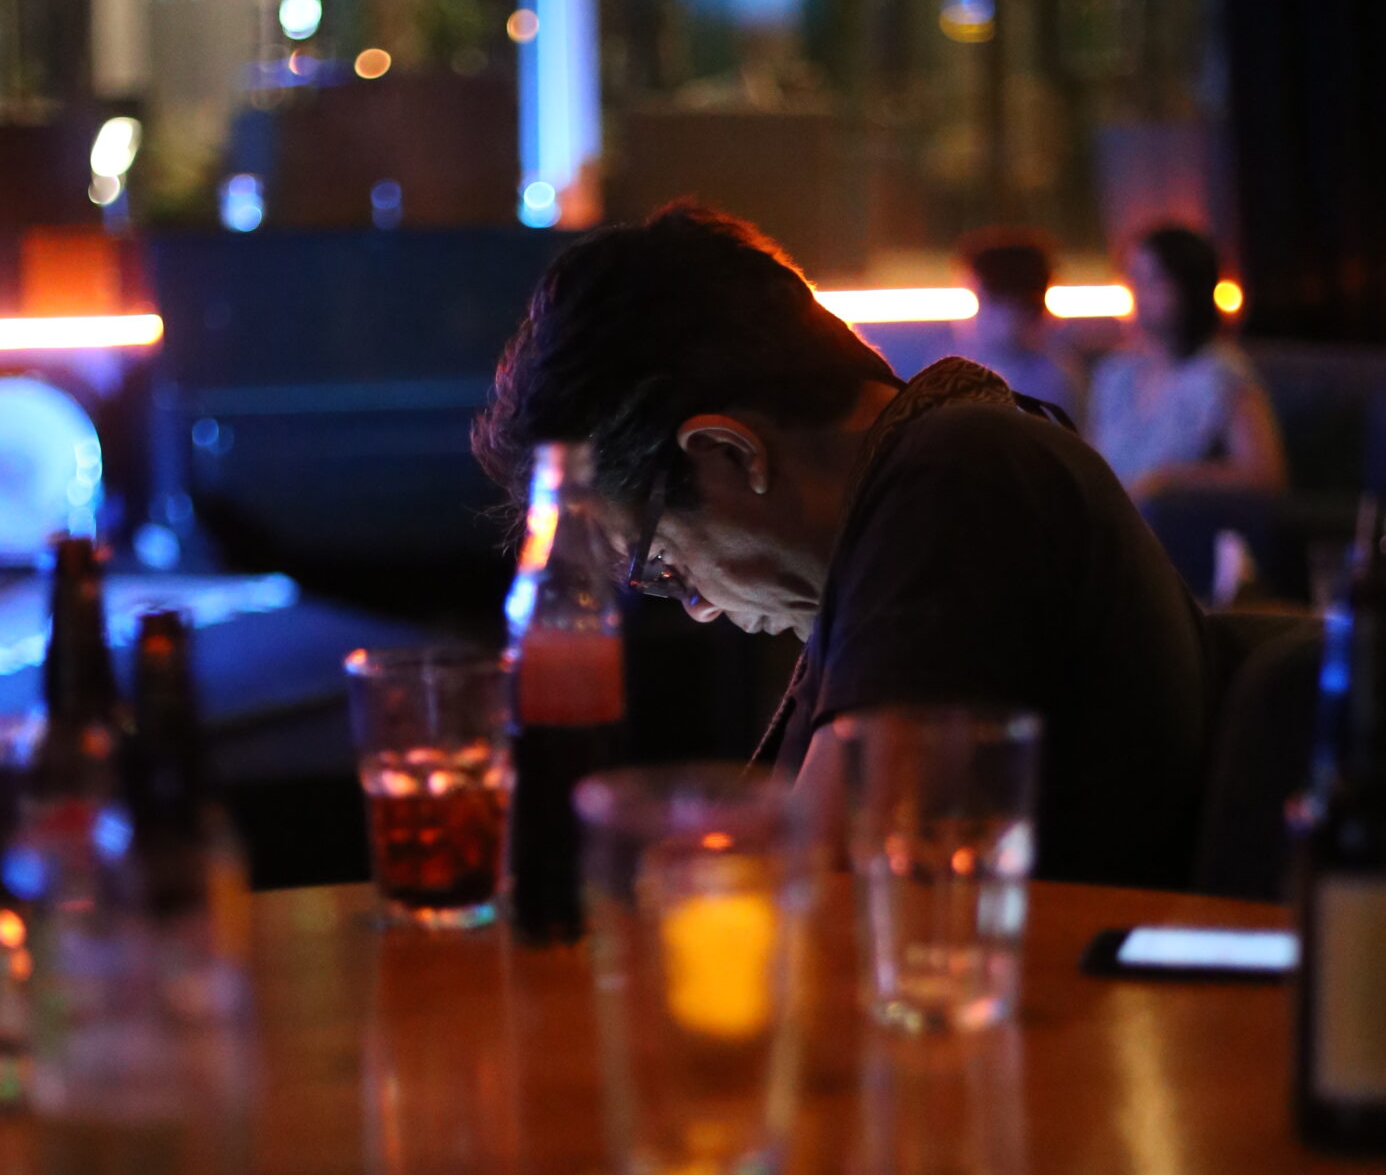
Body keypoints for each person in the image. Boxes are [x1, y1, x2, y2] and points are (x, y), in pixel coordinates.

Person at [473, 200, 1214, 891]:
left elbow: (823, 896)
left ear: (731, 452)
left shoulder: (959, 475)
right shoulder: (917, 494)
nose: (698, 607)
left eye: (662, 564)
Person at [1088, 223, 1286, 506]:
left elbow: (1264, 476)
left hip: (1174, 524)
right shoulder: (1115, 373)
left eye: (1153, 280)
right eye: (1134, 279)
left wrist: (1169, 481)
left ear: (1189, 288)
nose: (1139, 293)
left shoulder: (1221, 373)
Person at [954, 228, 1088, 422]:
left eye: (980, 299)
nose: (971, 319)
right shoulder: (966, 366)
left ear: (1018, 306)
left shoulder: (1051, 382)